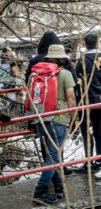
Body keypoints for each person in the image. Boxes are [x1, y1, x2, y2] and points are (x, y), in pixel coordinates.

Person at [25, 31, 76, 175]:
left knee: (45, 143)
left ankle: (49, 170)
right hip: (58, 110)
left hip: (39, 109)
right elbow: (73, 80)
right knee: (57, 143)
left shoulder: (35, 61)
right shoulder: (63, 61)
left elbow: (27, 83)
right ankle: (58, 169)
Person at [32, 45, 76, 204]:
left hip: (40, 119)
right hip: (57, 120)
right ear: (62, 58)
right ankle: (40, 192)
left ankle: (59, 189)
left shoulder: (36, 73)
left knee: (52, 156)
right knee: (54, 157)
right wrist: (74, 119)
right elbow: (71, 99)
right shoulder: (65, 74)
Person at [74, 33, 101, 173]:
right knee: (97, 130)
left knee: (86, 132)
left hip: (85, 99)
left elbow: (76, 78)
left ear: (84, 44)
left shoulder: (83, 59)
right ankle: (100, 160)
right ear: (98, 43)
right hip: (99, 98)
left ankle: (88, 163)